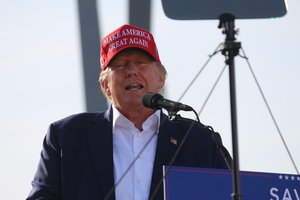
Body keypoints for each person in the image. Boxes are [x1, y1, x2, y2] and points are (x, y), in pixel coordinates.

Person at [26, 24, 229, 200]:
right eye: (120, 65)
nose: (132, 70)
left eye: (141, 63)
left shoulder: (200, 140)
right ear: (105, 85)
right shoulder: (66, 136)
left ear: (161, 78)